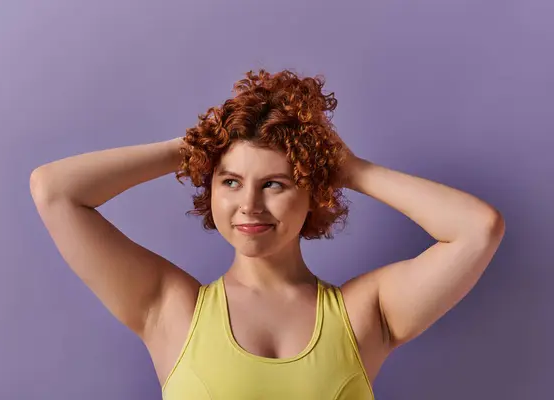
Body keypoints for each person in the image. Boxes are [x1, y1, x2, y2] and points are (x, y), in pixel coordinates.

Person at [29, 69, 506, 399]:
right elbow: (54, 190)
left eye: (274, 183)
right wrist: (197, 146)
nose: (248, 205)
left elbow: (478, 229)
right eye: (230, 181)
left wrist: (350, 169)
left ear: (313, 192)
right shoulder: (169, 308)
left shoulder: (366, 313)